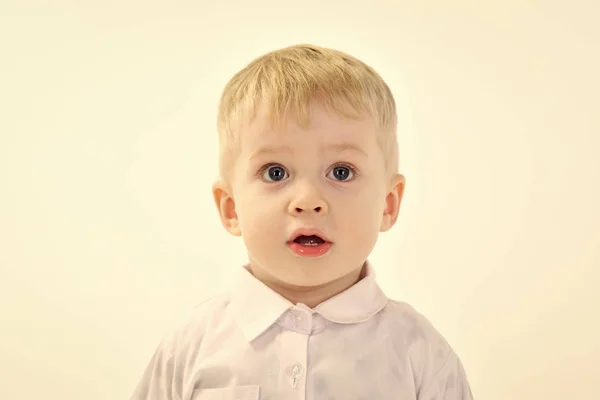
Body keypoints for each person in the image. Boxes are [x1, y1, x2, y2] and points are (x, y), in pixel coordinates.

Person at [131, 44, 474, 400]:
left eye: (341, 172)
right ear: (231, 208)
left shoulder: (419, 353)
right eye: (275, 172)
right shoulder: (192, 346)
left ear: (388, 203)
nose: (309, 201)